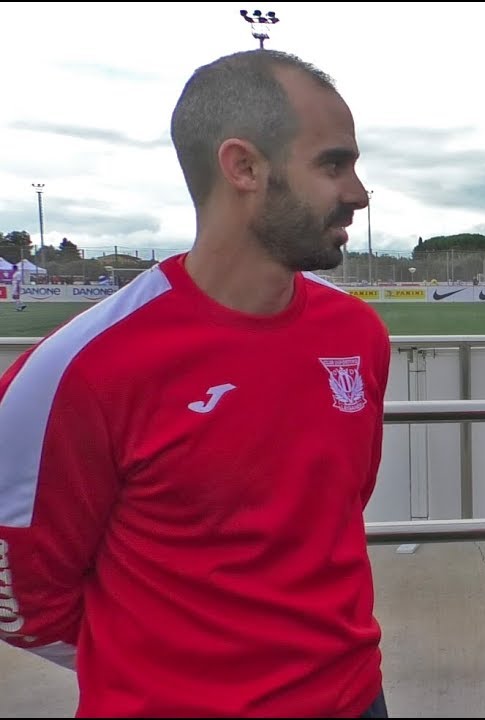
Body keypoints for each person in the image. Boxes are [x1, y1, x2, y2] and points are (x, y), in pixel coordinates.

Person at [0, 50, 391, 717]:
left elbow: (336, 517)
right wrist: (166, 672)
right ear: (243, 167)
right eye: (333, 164)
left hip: (357, 700)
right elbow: (23, 599)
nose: (358, 192)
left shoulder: (358, 336)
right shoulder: (80, 368)